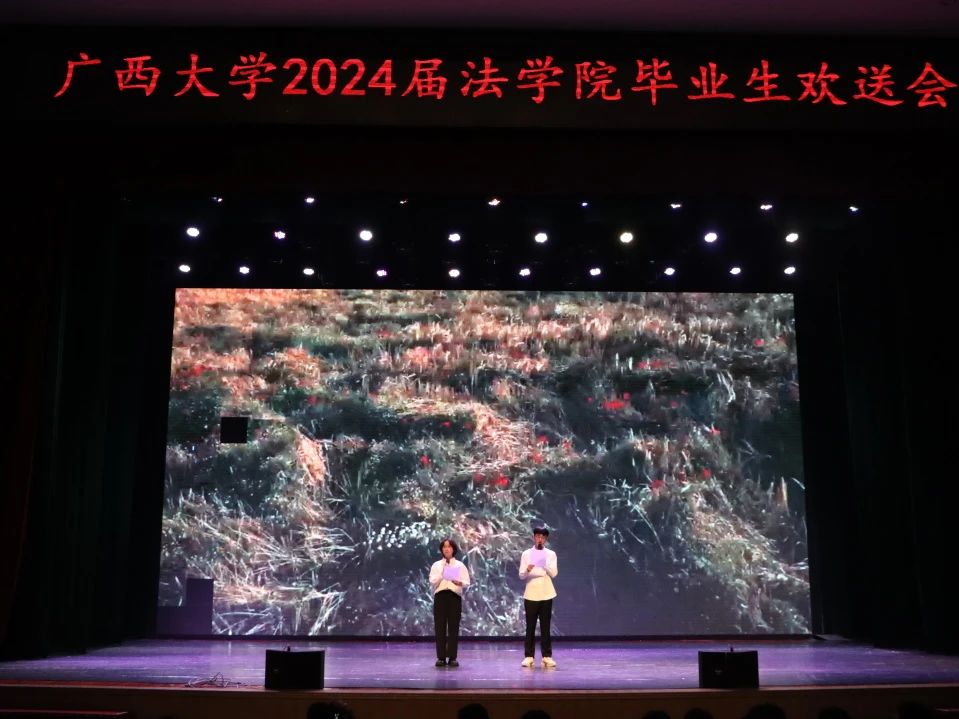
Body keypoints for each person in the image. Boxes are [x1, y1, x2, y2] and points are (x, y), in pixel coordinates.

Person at [519, 527, 558, 668]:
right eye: (537, 536)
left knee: (545, 626)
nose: (540, 539)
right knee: (530, 626)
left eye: (542, 537)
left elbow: (554, 573)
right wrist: (528, 569)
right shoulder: (526, 554)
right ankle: (529, 656)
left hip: (546, 593)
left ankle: (547, 656)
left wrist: (544, 564)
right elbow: (521, 575)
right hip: (531, 593)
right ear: (534, 537)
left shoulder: (551, 554)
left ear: (545, 539)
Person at [429, 537, 470, 667]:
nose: (447, 549)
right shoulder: (436, 565)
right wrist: (442, 573)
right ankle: (441, 657)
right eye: (444, 547)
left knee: (453, 627)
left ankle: (452, 657)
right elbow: (432, 581)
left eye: (449, 547)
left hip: (454, 597)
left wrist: (459, 582)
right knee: (440, 627)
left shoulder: (459, 565)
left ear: (453, 549)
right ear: (442, 550)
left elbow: (467, 582)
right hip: (440, 597)